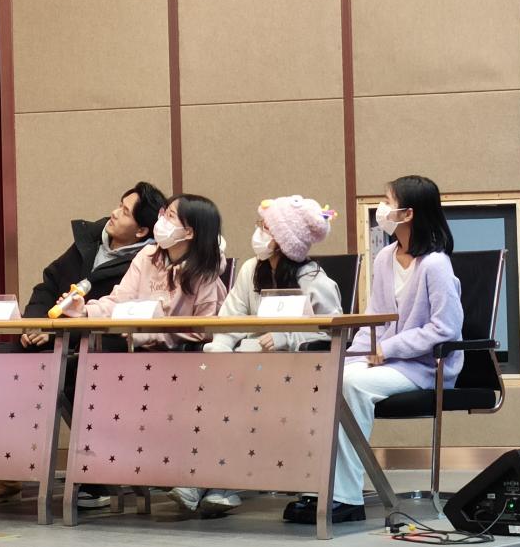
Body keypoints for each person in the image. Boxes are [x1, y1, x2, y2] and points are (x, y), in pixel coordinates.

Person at [0, 181, 167, 507]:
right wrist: (36, 324)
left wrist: (58, 332)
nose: (114, 213)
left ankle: (95, 475)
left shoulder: (149, 260)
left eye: (125, 212)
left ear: (142, 230)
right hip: (58, 337)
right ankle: (6, 469)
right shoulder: (88, 242)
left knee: (75, 372)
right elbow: (47, 285)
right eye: (119, 204)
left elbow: (124, 314)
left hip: (105, 346)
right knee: (1, 360)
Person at [284, 175, 463, 524]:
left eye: (387, 201)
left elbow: (445, 329)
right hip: (389, 363)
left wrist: (389, 347)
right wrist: (350, 356)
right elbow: (375, 320)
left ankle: (346, 498)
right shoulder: (384, 258)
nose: (381, 208)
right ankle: (321, 487)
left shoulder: (436, 264)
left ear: (408, 213)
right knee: (328, 377)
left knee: (351, 384)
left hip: (426, 368)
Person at [168, 195, 342, 516]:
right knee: (211, 391)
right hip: (249, 368)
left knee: (235, 399)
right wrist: (219, 351)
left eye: (266, 227)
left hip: (300, 374)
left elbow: (332, 334)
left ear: (285, 239)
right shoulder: (250, 270)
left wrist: (285, 337)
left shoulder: (315, 281)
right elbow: (230, 320)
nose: (258, 232)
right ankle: (205, 480)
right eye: (260, 224)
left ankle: (220, 483)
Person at [60, 193, 228, 351]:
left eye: (170, 216)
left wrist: (152, 334)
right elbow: (119, 300)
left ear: (189, 232)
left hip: (180, 360)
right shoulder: (147, 256)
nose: (161, 220)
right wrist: (85, 311)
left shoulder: (206, 273)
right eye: (163, 213)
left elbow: (204, 331)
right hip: (138, 349)